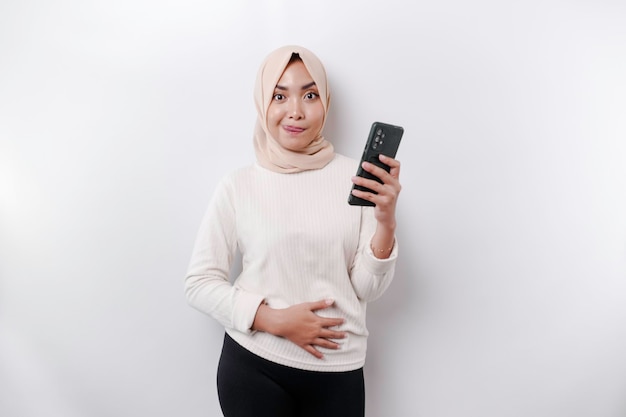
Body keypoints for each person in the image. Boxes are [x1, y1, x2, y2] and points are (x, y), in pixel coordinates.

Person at [185, 45, 402, 417]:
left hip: (340, 371)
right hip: (255, 366)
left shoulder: (356, 179)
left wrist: (386, 221)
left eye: (310, 94)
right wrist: (275, 320)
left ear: (325, 102)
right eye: (280, 95)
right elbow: (199, 283)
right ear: (262, 102)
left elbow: (367, 289)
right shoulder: (239, 185)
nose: (296, 111)